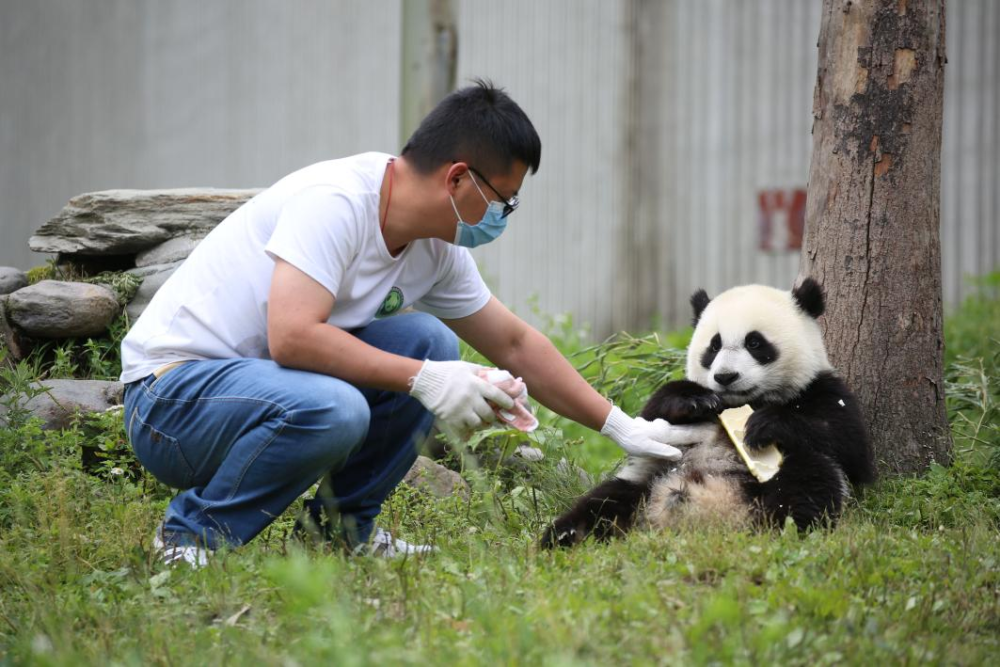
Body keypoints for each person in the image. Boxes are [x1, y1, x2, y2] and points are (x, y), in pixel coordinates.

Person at [120, 80, 710, 566]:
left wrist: (620, 426)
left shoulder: (436, 248)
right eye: (504, 200)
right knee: (346, 402)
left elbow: (512, 342)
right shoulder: (337, 202)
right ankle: (188, 539)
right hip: (170, 400)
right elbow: (292, 335)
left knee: (429, 340)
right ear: (457, 179)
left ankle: (339, 535)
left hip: (254, 389)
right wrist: (427, 380)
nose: (504, 217)